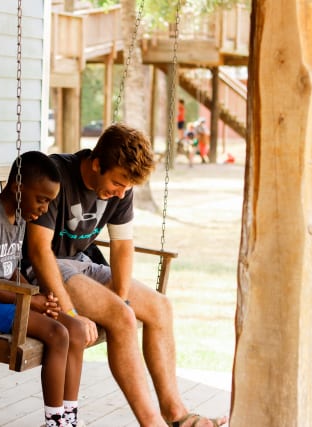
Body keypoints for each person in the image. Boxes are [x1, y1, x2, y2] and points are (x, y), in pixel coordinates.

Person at [23, 123, 228, 427]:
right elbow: (39, 251)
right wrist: (69, 313)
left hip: (81, 263)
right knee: (122, 318)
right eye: (117, 182)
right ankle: (152, 423)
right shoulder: (56, 175)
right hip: (42, 269)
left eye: (127, 187)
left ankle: (176, 415)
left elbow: (121, 247)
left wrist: (120, 297)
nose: (120, 192)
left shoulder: (122, 189)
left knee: (160, 307)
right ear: (96, 164)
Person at [0, 151, 87, 427]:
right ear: (17, 187)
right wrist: (28, 302)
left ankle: (70, 417)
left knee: (76, 329)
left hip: (5, 300)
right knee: (57, 333)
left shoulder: (21, 218)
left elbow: (9, 270)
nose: (45, 209)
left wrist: (37, 296)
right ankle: (55, 421)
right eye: (42, 199)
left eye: (50, 201)